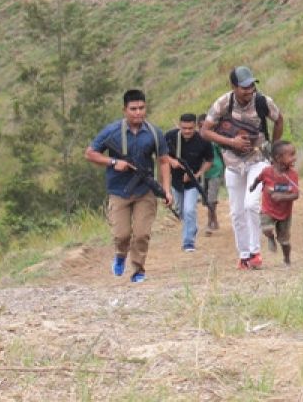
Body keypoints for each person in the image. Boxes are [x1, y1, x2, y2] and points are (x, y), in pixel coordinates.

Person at [85, 89, 172, 283]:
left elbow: (164, 161)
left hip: (145, 190)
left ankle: (138, 270)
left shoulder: (154, 133)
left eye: (141, 108)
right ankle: (120, 255)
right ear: (124, 110)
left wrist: (166, 189)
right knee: (121, 234)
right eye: (133, 109)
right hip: (119, 191)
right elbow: (90, 153)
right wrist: (114, 163)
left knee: (142, 234)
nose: (138, 112)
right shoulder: (112, 131)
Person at [201, 66, 285, 270]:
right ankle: (244, 255)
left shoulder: (263, 102)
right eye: (244, 87)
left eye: (251, 86)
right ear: (234, 87)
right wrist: (231, 143)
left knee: (251, 204)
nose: (249, 91)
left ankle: (256, 253)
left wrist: (274, 147)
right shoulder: (223, 103)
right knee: (237, 212)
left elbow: (279, 119)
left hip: (258, 160)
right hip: (232, 164)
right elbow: (205, 131)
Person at [164, 112, 214, 252]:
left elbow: (209, 160)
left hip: (192, 183)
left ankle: (188, 242)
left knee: (189, 210)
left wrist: (197, 175)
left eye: (190, 128)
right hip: (175, 181)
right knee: (181, 211)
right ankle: (191, 226)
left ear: (195, 127)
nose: (187, 131)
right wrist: (171, 161)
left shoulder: (203, 140)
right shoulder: (170, 136)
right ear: (179, 125)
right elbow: (160, 154)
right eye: (184, 128)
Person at [251, 141, 299, 266]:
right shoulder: (267, 171)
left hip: (284, 213)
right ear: (278, 158)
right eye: (291, 155)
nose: (295, 158)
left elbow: (296, 194)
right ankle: (270, 237)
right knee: (266, 228)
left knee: (284, 240)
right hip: (268, 209)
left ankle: (287, 259)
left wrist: (281, 196)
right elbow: (258, 178)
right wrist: (253, 185)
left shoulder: (292, 175)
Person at [197, 113, 223, 233]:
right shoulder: (196, 140)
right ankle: (215, 219)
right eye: (201, 127)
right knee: (205, 199)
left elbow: (222, 155)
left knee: (211, 198)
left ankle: (210, 222)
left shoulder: (215, 139)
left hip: (215, 172)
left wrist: (225, 170)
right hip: (202, 174)